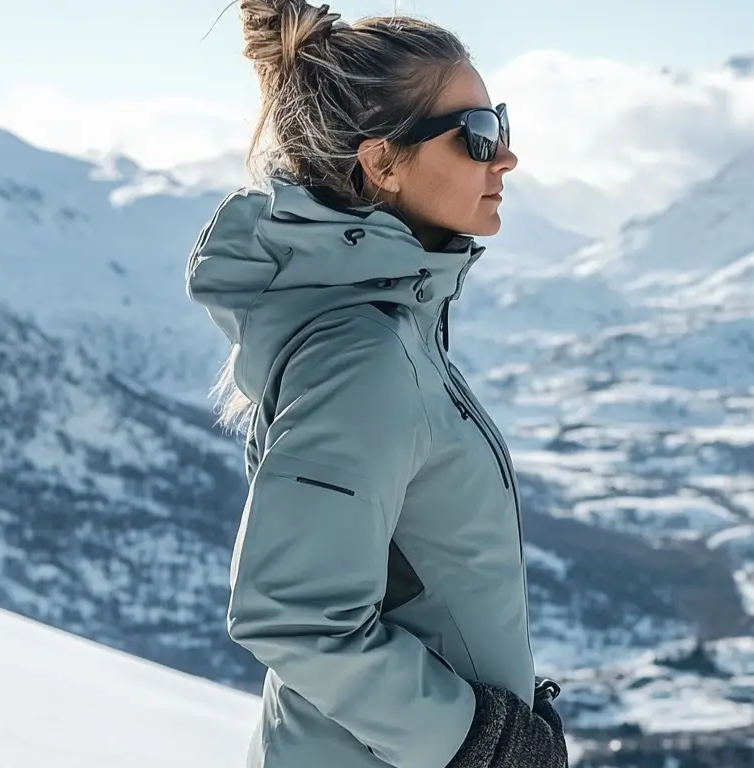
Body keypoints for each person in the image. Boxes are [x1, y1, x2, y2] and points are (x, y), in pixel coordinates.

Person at [185, 2, 569, 767]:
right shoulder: (363, 357)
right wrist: (477, 741)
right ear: (382, 163)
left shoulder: (394, 323)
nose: (505, 158)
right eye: (477, 136)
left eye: (502, 124)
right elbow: (293, 617)